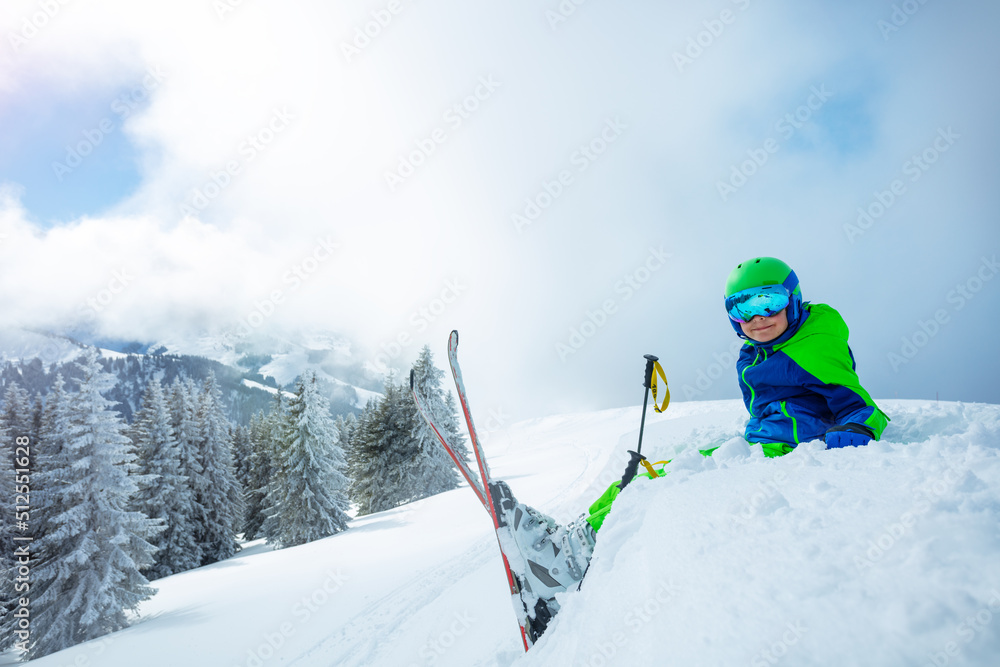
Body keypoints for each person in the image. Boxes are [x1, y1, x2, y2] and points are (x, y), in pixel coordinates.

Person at [492, 256, 890, 641]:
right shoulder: (757, 351)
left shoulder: (813, 346)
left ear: (793, 298)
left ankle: (564, 560)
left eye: (768, 301)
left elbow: (860, 406)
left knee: (661, 479)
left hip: (785, 451)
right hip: (763, 444)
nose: (758, 318)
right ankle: (569, 542)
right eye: (743, 308)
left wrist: (851, 432)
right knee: (652, 472)